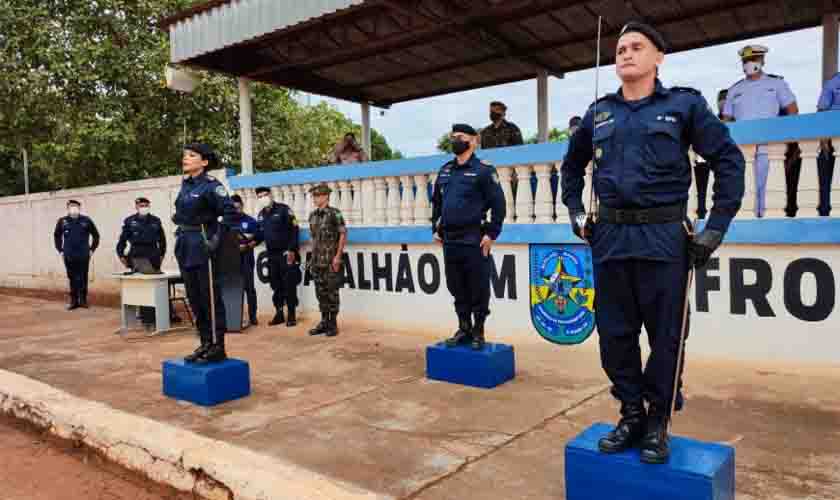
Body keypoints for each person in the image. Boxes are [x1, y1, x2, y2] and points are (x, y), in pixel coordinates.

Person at [561, 22, 745, 464]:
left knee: (666, 337)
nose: (625, 54)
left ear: (658, 57)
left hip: (664, 238)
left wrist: (715, 227)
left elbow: (728, 160)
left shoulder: (684, 105)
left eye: (636, 47)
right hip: (610, 237)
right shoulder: (599, 113)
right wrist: (574, 211)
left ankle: (658, 421)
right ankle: (630, 414)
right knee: (614, 336)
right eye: (621, 48)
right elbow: (571, 167)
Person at [431, 124, 506, 351]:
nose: (455, 140)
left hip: (474, 239)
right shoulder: (445, 170)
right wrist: (435, 226)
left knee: (478, 287)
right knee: (456, 287)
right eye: (453, 137)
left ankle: (478, 331)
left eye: (460, 137)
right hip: (450, 240)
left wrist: (491, 234)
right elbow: (437, 202)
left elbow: (499, 205)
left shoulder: (483, 170)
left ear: (473, 141)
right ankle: (463, 328)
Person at [173, 143, 236, 364]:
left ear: (205, 162)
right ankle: (205, 342)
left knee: (209, 297)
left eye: (192, 155)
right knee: (195, 297)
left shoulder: (211, 186)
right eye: (185, 155)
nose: (186, 158)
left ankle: (218, 346)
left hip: (202, 244)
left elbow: (229, 212)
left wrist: (217, 237)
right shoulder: (186, 184)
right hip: (185, 244)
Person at [722, 44, 798, 218]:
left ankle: (766, 220)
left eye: (753, 59)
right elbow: (726, 120)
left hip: (769, 145)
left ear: (762, 60)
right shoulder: (735, 89)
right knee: (744, 186)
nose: (749, 63)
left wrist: (785, 137)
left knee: (768, 186)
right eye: (746, 60)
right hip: (742, 146)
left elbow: (793, 110)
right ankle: (746, 219)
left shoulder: (776, 84)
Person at [116, 197, 167, 328]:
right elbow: (122, 240)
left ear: (149, 206)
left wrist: (162, 254)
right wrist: (121, 255)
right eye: (141, 205)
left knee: (155, 287)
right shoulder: (130, 221)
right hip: (137, 255)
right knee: (143, 288)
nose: (144, 207)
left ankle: (158, 317)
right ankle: (147, 320)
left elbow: (162, 240)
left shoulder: (156, 220)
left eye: (146, 205)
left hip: (153, 254)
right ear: (136, 206)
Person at [255, 186, 300, 327]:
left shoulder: (284, 209)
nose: (263, 198)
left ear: (271, 195)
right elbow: (260, 235)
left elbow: (295, 229)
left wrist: (292, 250)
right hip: (271, 255)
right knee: (275, 284)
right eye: (260, 196)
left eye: (265, 195)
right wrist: (249, 242)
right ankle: (279, 313)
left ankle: (291, 315)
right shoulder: (261, 215)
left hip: (285, 253)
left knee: (289, 285)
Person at [307, 183, 347, 337]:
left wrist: (338, 257)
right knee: (320, 293)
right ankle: (324, 322)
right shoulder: (313, 216)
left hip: (331, 260)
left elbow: (343, 234)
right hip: (317, 261)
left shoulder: (334, 214)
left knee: (332, 293)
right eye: (314, 196)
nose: (315, 199)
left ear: (325, 196)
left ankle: (333, 323)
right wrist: (311, 258)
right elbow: (313, 239)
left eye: (317, 196)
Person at [54, 200, 100, 310]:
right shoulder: (62, 221)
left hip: (83, 254)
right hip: (69, 254)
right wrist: (60, 250)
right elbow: (57, 236)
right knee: (72, 277)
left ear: (79, 208)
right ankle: (74, 301)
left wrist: (92, 249)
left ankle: (83, 300)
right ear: (67, 208)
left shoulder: (86, 220)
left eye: (75, 206)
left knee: (83, 277)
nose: (73, 208)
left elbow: (96, 236)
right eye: (71, 206)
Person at [230, 194, 261, 326]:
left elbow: (259, 236)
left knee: (249, 289)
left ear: (242, 206)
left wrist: (248, 245)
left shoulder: (251, 221)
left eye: (238, 207)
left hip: (247, 259)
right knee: (234, 290)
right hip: (231, 261)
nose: (236, 210)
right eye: (233, 208)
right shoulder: (226, 222)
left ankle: (253, 316)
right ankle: (235, 317)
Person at [816, 71, 840, 216]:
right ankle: (826, 212)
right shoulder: (834, 82)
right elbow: (822, 110)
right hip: (833, 140)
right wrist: (824, 140)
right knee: (828, 180)